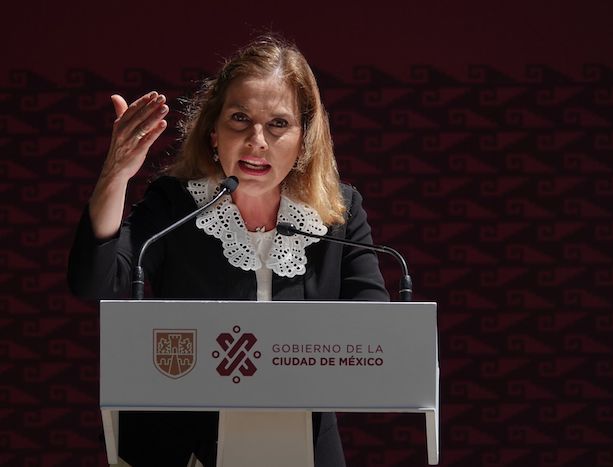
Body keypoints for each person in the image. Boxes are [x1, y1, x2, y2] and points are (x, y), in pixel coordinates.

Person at [67, 35, 389, 467]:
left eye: (278, 124)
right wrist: (116, 175)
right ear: (213, 131)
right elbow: (96, 281)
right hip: (178, 447)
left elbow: (375, 331)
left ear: (304, 138)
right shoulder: (176, 203)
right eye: (240, 118)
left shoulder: (338, 214)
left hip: (301, 447)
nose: (257, 139)